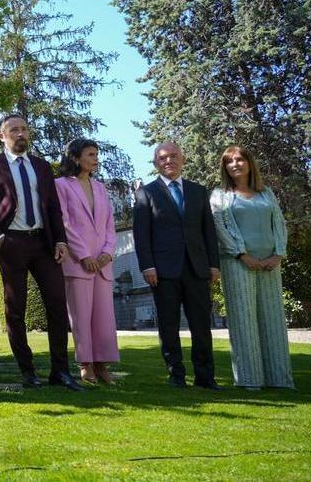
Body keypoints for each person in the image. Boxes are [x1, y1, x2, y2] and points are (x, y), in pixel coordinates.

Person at [0, 114, 82, 391]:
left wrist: (61, 240)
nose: (20, 134)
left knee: (58, 305)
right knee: (16, 310)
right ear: (2, 135)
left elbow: (53, 207)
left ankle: (60, 371)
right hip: (11, 243)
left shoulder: (41, 167)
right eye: (14, 130)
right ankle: (28, 371)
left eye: (24, 129)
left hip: (44, 244)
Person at [132, 141, 221, 390]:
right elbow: (142, 235)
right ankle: (176, 376)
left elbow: (208, 231)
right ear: (155, 164)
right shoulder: (145, 193)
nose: (168, 161)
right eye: (162, 158)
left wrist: (214, 265)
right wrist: (147, 266)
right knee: (169, 326)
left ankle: (205, 378)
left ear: (182, 159)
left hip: (197, 268)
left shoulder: (198, 191)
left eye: (173, 156)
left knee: (202, 326)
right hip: (163, 271)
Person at [209, 146, 293, 389]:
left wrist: (278, 254)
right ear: (225, 168)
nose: (235, 164)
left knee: (273, 320)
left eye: (240, 159)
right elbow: (221, 228)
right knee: (244, 321)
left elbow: (279, 223)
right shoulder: (220, 195)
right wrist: (242, 255)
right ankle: (249, 380)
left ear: (249, 163)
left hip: (270, 264)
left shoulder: (265, 193)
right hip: (238, 264)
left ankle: (280, 380)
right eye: (229, 161)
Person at [54, 138, 120, 385]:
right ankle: (86, 365)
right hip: (77, 262)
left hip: (102, 264)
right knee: (81, 316)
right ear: (75, 158)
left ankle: (103, 365)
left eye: (96, 154)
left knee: (104, 317)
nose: (96, 159)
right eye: (91, 154)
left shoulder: (101, 188)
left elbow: (110, 225)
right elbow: (64, 223)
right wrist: (84, 255)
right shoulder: (60, 185)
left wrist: (107, 252)